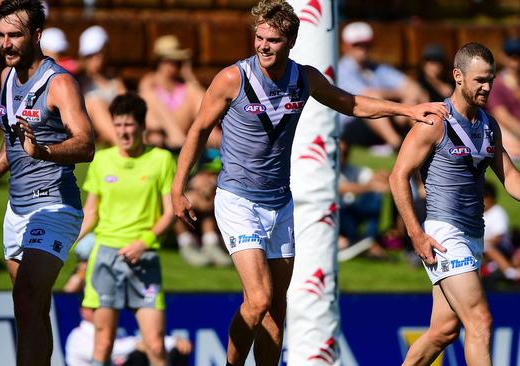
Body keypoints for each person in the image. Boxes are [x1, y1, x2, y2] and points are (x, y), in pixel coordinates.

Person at [171, 1, 447, 365]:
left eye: (273, 39)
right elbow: (198, 130)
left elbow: (351, 103)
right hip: (238, 200)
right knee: (258, 300)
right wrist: (178, 188)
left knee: (276, 310)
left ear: (292, 41)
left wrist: (407, 110)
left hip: (280, 204)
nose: (263, 46)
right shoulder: (232, 79)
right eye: (259, 37)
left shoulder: (304, 78)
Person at [0, 0, 95, 364]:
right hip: (17, 209)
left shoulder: (58, 83)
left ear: (37, 35)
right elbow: (14, 140)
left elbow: (86, 144)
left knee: (28, 297)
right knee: (29, 311)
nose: (5, 44)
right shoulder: (6, 77)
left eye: (15, 35)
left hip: (54, 206)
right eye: (0, 35)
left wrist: (43, 151)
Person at [389, 42, 520, 365]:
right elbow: (397, 176)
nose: (487, 87)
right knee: (479, 321)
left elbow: (511, 179)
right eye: (479, 80)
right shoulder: (435, 122)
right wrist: (415, 234)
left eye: (490, 79)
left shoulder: (488, 125)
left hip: (474, 233)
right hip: (445, 233)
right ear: (458, 77)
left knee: (444, 331)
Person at [79, 92, 175, 366]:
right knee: (103, 343)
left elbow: (170, 213)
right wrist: (69, 243)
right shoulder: (101, 161)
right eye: (118, 124)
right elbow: (91, 211)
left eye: (129, 125)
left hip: (144, 258)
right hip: (106, 258)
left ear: (142, 126)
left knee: (156, 345)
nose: (123, 131)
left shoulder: (161, 160)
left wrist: (144, 242)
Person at [338, 21, 429, 150]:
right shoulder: (342, 70)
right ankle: (397, 145)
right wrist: (403, 101)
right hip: (351, 125)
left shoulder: (377, 67)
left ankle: (425, 142)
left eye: (366, 44)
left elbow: (413, 88)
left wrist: (408, 101)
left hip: (381, 119)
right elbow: (366, 95)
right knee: (370, 99)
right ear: (345, 46)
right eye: (357, 45)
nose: (362, 49)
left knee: (417, 96)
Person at [138, 35, 206, 150]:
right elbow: (144, 96)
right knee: (149, 97)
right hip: (160, 134)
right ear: (159, 62)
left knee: (194, 92)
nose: (173, 66)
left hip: (185, 133)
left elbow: (205, 101)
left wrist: (188, 75)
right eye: (169, 61)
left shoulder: (186, 86)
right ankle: (178, 140)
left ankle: (218, 141)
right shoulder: (149, 82)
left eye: (177, 61)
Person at [65, 307, 192, 366]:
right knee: (138, 354)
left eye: (103, 308)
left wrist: (174, 341)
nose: (101, 312)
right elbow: (107, 349)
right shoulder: (77, 336)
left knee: (175, 352)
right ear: (83, 311)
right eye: (94, 309)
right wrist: (138, 345)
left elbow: (140, 342)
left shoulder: (115, 332)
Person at [79, 25, 126, 146]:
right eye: (91, 55)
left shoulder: (115, 80)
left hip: (113, 122)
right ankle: (122, 144)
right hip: (87, 125)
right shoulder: (78, 79)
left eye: (99, 54)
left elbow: (126, 104)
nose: (97, 59)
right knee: (96, 103)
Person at [486, 37, 520, 160]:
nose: (515, 59)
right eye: (511, 54)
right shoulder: (496, 84)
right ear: (503, 56)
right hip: (507, 132)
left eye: (518, 55)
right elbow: (501, 116)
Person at [481, 181, 519, 281]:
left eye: (484, 198)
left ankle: (509, 272)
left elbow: (499, 237)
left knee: (487, 247)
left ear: (491, 198)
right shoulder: (478, 215)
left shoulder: (497, 212)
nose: (482, 201)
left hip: (502, 248)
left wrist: (482, 244)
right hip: (483, 249)